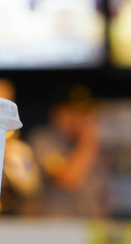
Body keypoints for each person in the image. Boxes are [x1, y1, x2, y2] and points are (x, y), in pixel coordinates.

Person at [27, 85, 103, 217]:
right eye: (72, 111)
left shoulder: (90, 143)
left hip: (88, 227)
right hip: (53, 229)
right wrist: (87, 142)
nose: (78, 119)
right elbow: (69, 180)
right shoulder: (43, 139)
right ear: (56, 112)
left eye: (84, 112)